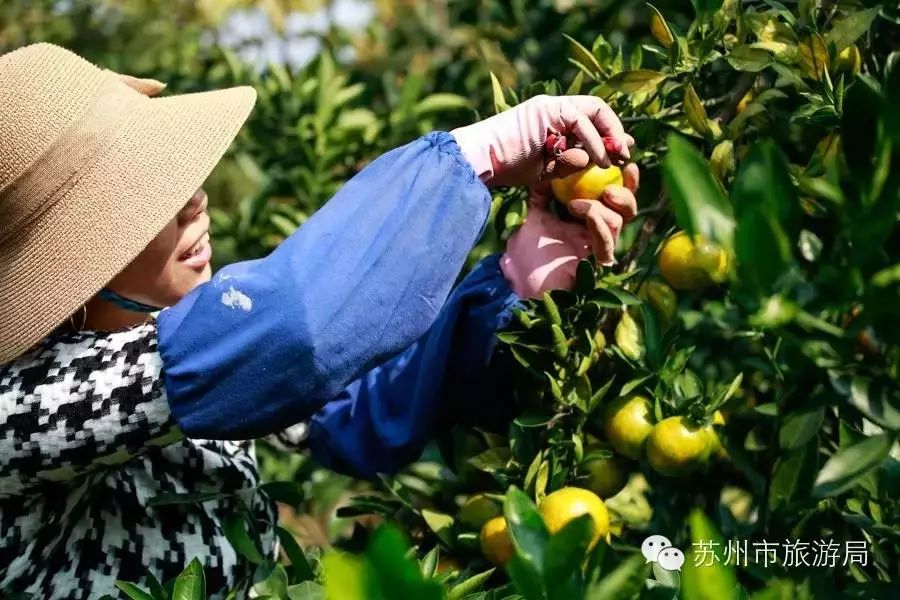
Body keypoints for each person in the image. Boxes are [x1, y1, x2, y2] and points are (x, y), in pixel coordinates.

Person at [0, 43, 638, 599]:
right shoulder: (25, 407)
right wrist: (476, 156)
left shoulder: (186, 337)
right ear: (75, 260)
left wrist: (521, 279)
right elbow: (294, 331)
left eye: (178, 179)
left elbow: (355, 415)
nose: (193, 200)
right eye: (146, 197)